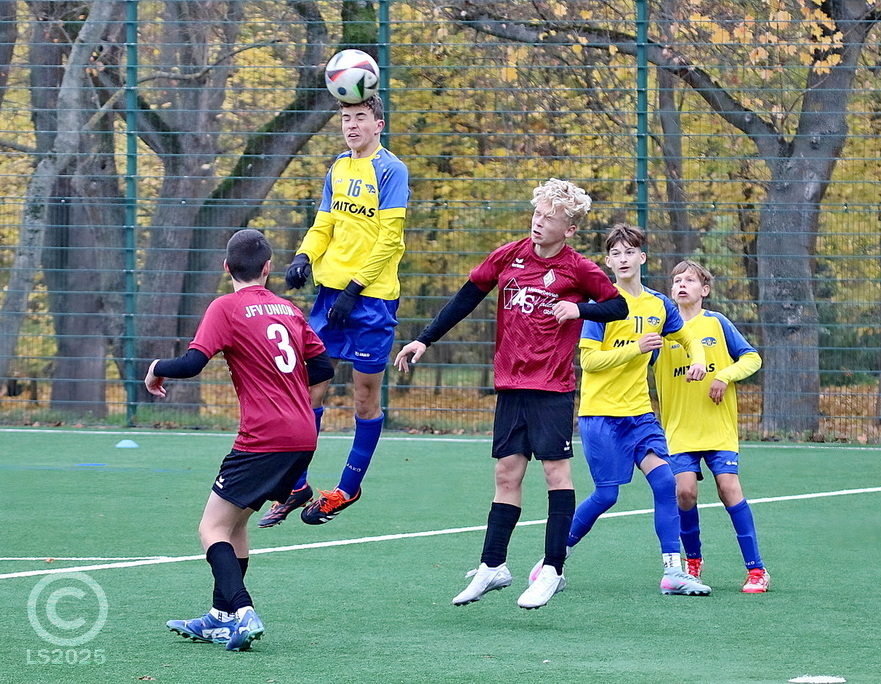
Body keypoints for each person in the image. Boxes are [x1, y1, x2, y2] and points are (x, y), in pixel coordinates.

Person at [394, 178, 628, 609]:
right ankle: (493, 565)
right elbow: (466, 298)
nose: (539, 223)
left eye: (550, 218)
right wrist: (425, 339)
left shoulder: (579, 269)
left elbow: (618, 306)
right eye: (537, 213)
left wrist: (579, 308)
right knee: (506, 475)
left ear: (569, 229)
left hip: (552, 388)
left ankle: (553, 569)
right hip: (510, 386)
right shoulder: (509, 255)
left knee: (556, 475)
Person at [146, 229, 333, 650]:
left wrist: (156, 367)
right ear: (268, 268)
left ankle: (243, 611)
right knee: (236, 524)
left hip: (263, 437)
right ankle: (219, 617)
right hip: (302, 434)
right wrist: (290, 397)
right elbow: (323, 368)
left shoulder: (226, 307)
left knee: (211, 527)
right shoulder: (287, 308)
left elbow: (191, 364)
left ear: (226, 267)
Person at [258, 93, 410, 528]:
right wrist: (304, 256)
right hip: (330, 301)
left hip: (372, 301)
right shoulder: (338, 167)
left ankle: (347, 488)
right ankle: (296, 486)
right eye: (346, 118)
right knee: (308, 392)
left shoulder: (391, 170)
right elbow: (324, 223)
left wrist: (355, 288)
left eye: (361, 117)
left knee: (364, 398)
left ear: (378, 125)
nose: (352, 125)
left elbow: (389, 239)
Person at [540, 224, 711, 596]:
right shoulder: (601, 305)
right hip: (601, 416)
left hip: (640, 416)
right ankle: (554, 558)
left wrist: (698, 360)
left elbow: (688, 337)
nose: (623, 259)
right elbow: (590, 361)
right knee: (607, 496)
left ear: (641, 258)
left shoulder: (659, 304)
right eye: (616, 253)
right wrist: (636, 348)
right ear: (608, 261)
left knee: (665, 483)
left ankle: (673, 571)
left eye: (629, 252)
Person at [652, 260, 768, 593]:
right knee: (684, 492)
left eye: (690, 280)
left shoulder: (716, 323)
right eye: (677, 280)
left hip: (718, 427)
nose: (681, 284)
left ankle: (757, 570)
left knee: (729, 488)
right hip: (679, 429)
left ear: (704, 290)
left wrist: (724, 375)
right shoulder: (661, 331)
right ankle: (693, 562)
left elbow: (752, 358)